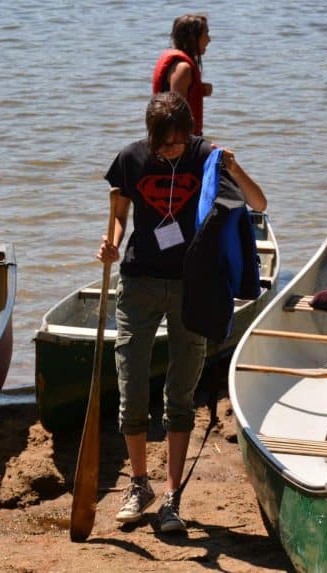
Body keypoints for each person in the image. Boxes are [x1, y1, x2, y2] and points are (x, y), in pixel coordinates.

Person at [97, 92, 265, 533]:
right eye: (163, 143)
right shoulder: (131, 159)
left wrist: (233, 166)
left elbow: (259, 204)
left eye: (178, 142)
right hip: (138, 282)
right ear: (150, 136)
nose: (171, 150)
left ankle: (171, 495)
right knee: (131, 381)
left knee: (180, 394)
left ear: (189, 132)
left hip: (193, 286)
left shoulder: (206, 156)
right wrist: (111, 241)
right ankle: (139, 485)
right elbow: (119, 214)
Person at [152, 13, 212, 136]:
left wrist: (200, 89)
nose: (209, 39)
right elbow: (176, 113)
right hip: (175, 142)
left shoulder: (181, 67)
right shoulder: (182, 69)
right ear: (192, 38)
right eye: (206, 34)